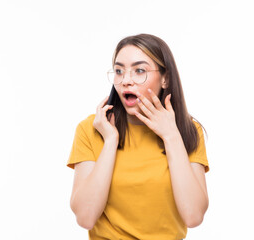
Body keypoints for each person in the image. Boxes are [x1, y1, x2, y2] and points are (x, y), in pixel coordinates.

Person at [67, 33, 209, 240]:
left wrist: (171, 136)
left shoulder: (187, 131)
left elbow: (193, 216)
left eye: (139, 71)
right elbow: (85, 218)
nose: (126, 81)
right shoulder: (92, 128)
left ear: (165, 78)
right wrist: (110, 141)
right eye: (119, 71)